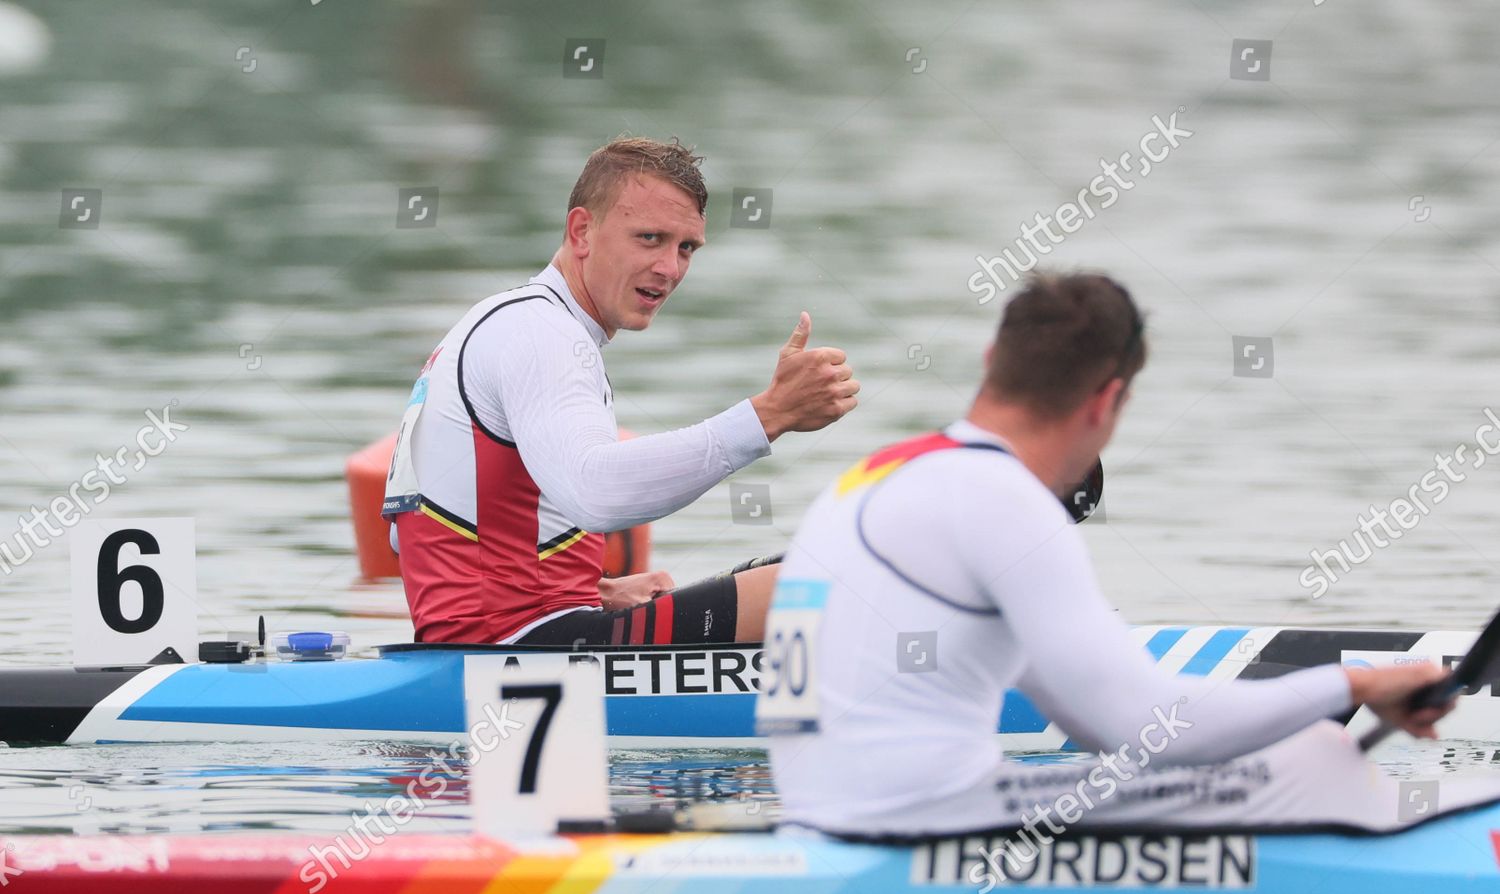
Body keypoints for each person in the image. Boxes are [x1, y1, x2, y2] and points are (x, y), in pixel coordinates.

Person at [760, 272, 1500, 840]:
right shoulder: (1003, 497)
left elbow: (1091, 719)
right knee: (1313, 757)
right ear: (1107, 400)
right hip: (910, 828)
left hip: (825, 816)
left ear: (993, 359)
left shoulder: (871, 478)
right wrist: (1352, 686)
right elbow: (1139, 726)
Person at [384, 137, 858, 646]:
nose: (670, 269)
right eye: (649, 238)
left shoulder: (505, 324)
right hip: (517, 647)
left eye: (686, 248)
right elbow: (595, 492)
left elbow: (413, 536)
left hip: (490, 639)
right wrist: (769, 415)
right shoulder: (542, 335)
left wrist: (593, 590)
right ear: (582, 231)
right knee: (851, 578)